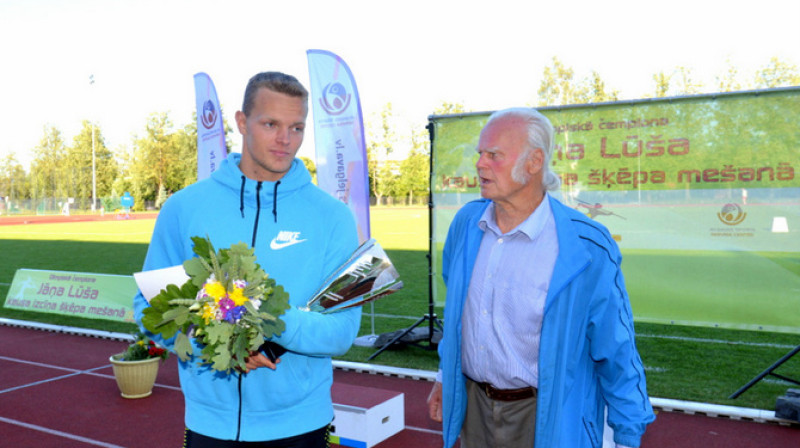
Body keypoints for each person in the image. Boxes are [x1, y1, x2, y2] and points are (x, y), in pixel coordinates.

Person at [134, 71, 361, 447]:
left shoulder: (333, 217)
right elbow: (149, 308)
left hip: (300, 424)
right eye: (270, 124)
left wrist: (258, 321)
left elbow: (341, 331)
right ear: (242, 122)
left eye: (297, 127)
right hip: (211, 424)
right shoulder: (183, 208)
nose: (285, 140)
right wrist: (218, 344)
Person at [427, 107, 655, 447]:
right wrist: (445, 377)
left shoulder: (586, 245)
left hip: (546, 416)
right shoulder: (466, 225)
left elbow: (616, 346)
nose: (480, 164)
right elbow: (459, 316)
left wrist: (627, 432)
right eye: (480, 154)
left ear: (534, 162)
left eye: (495, 155)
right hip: (473, 407)